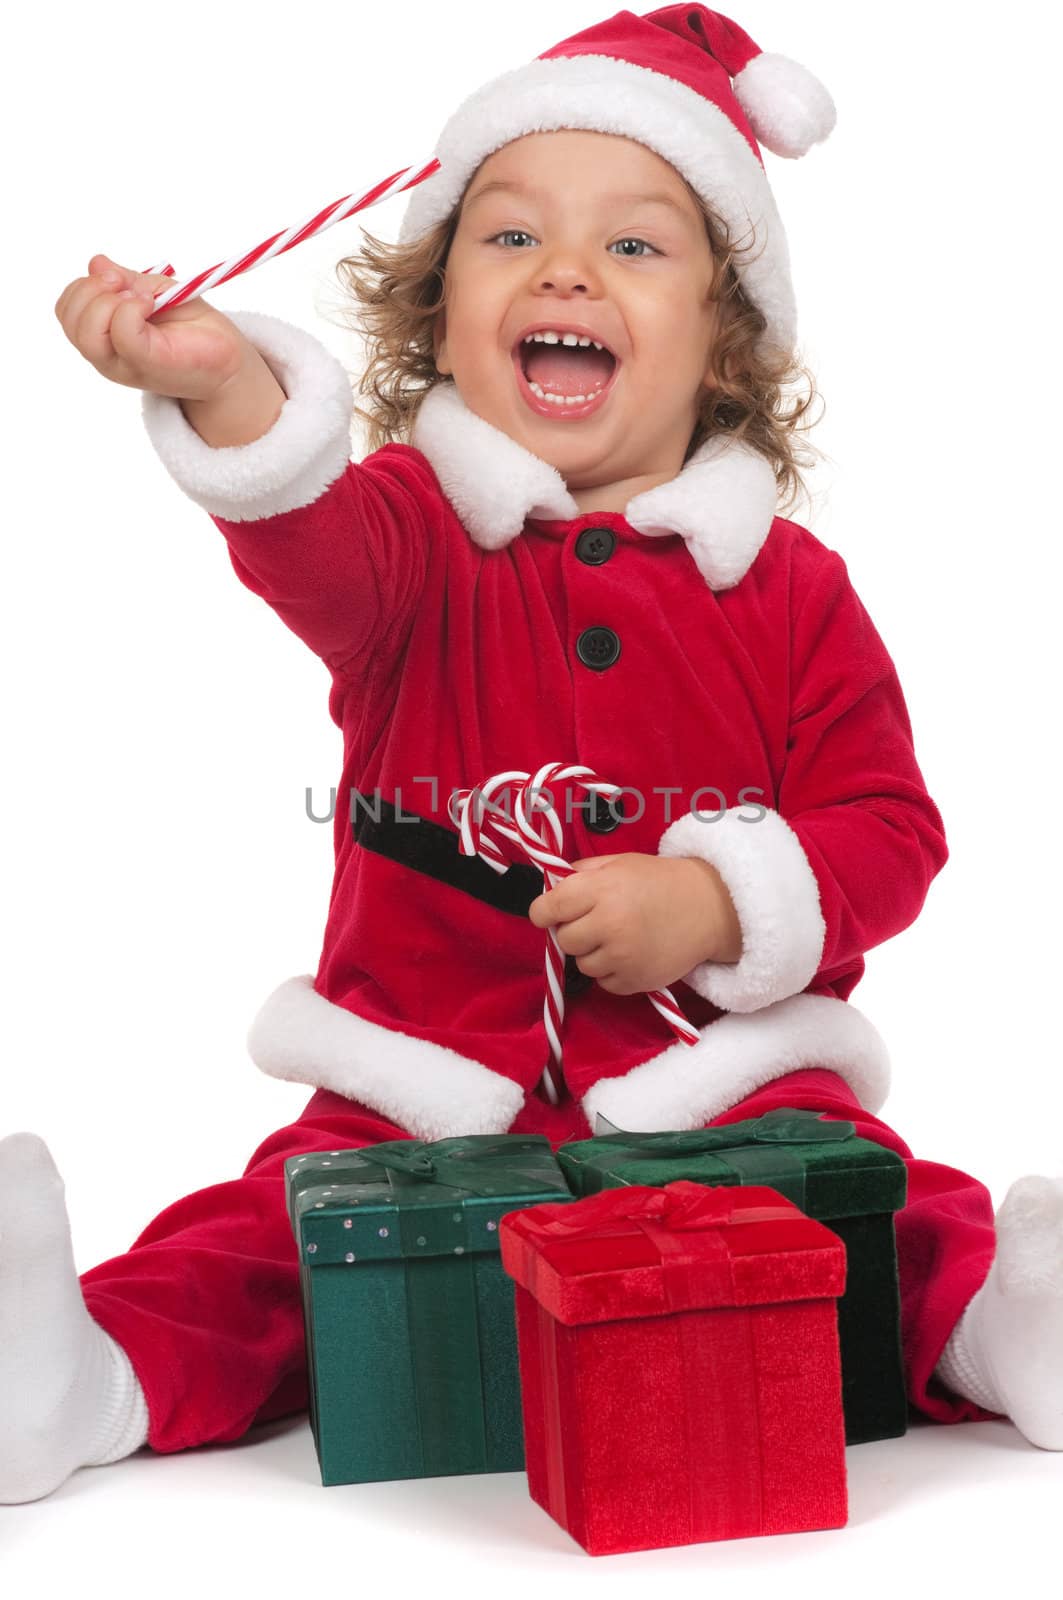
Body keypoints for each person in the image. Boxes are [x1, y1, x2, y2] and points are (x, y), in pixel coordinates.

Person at [10, 3, 1061, 1507]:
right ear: (436, 320)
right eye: (510, 240)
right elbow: (292, 518)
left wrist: (717, 906)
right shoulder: (410, 546)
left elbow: (889, 828)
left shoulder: (791, 591)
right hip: (417, 1085)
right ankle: (77, 1377)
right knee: (261, 1241)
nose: (567, 269)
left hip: (722, 1088)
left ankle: (1002, 1334)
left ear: (724, 346)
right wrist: (220, 379)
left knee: (885, 1216)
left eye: (636, 248)